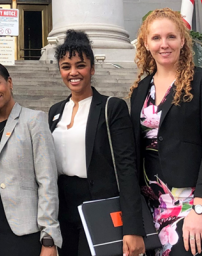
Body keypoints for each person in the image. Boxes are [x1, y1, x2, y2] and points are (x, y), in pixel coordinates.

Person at [128, 8, 202, 256]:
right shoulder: (141, 89)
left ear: (183, 40)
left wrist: (200, 208)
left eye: (171, 37)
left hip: (192, 203)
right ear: (146, 44)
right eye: (156, 38)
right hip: (151, 205)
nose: (164, 44)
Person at [47, 30, 146, 256]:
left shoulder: (113, 108)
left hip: (99, 205)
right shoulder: (55, 112)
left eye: (80, 65)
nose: (73, 72)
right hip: (63, 208)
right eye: (66, 66)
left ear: (92, 68)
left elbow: (126, 168)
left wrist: (132, 227)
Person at [0, 61, 62, 256]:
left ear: (9, 82)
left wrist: (49, 237)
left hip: (23, 233)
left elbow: (47, 181)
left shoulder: (34, 121)